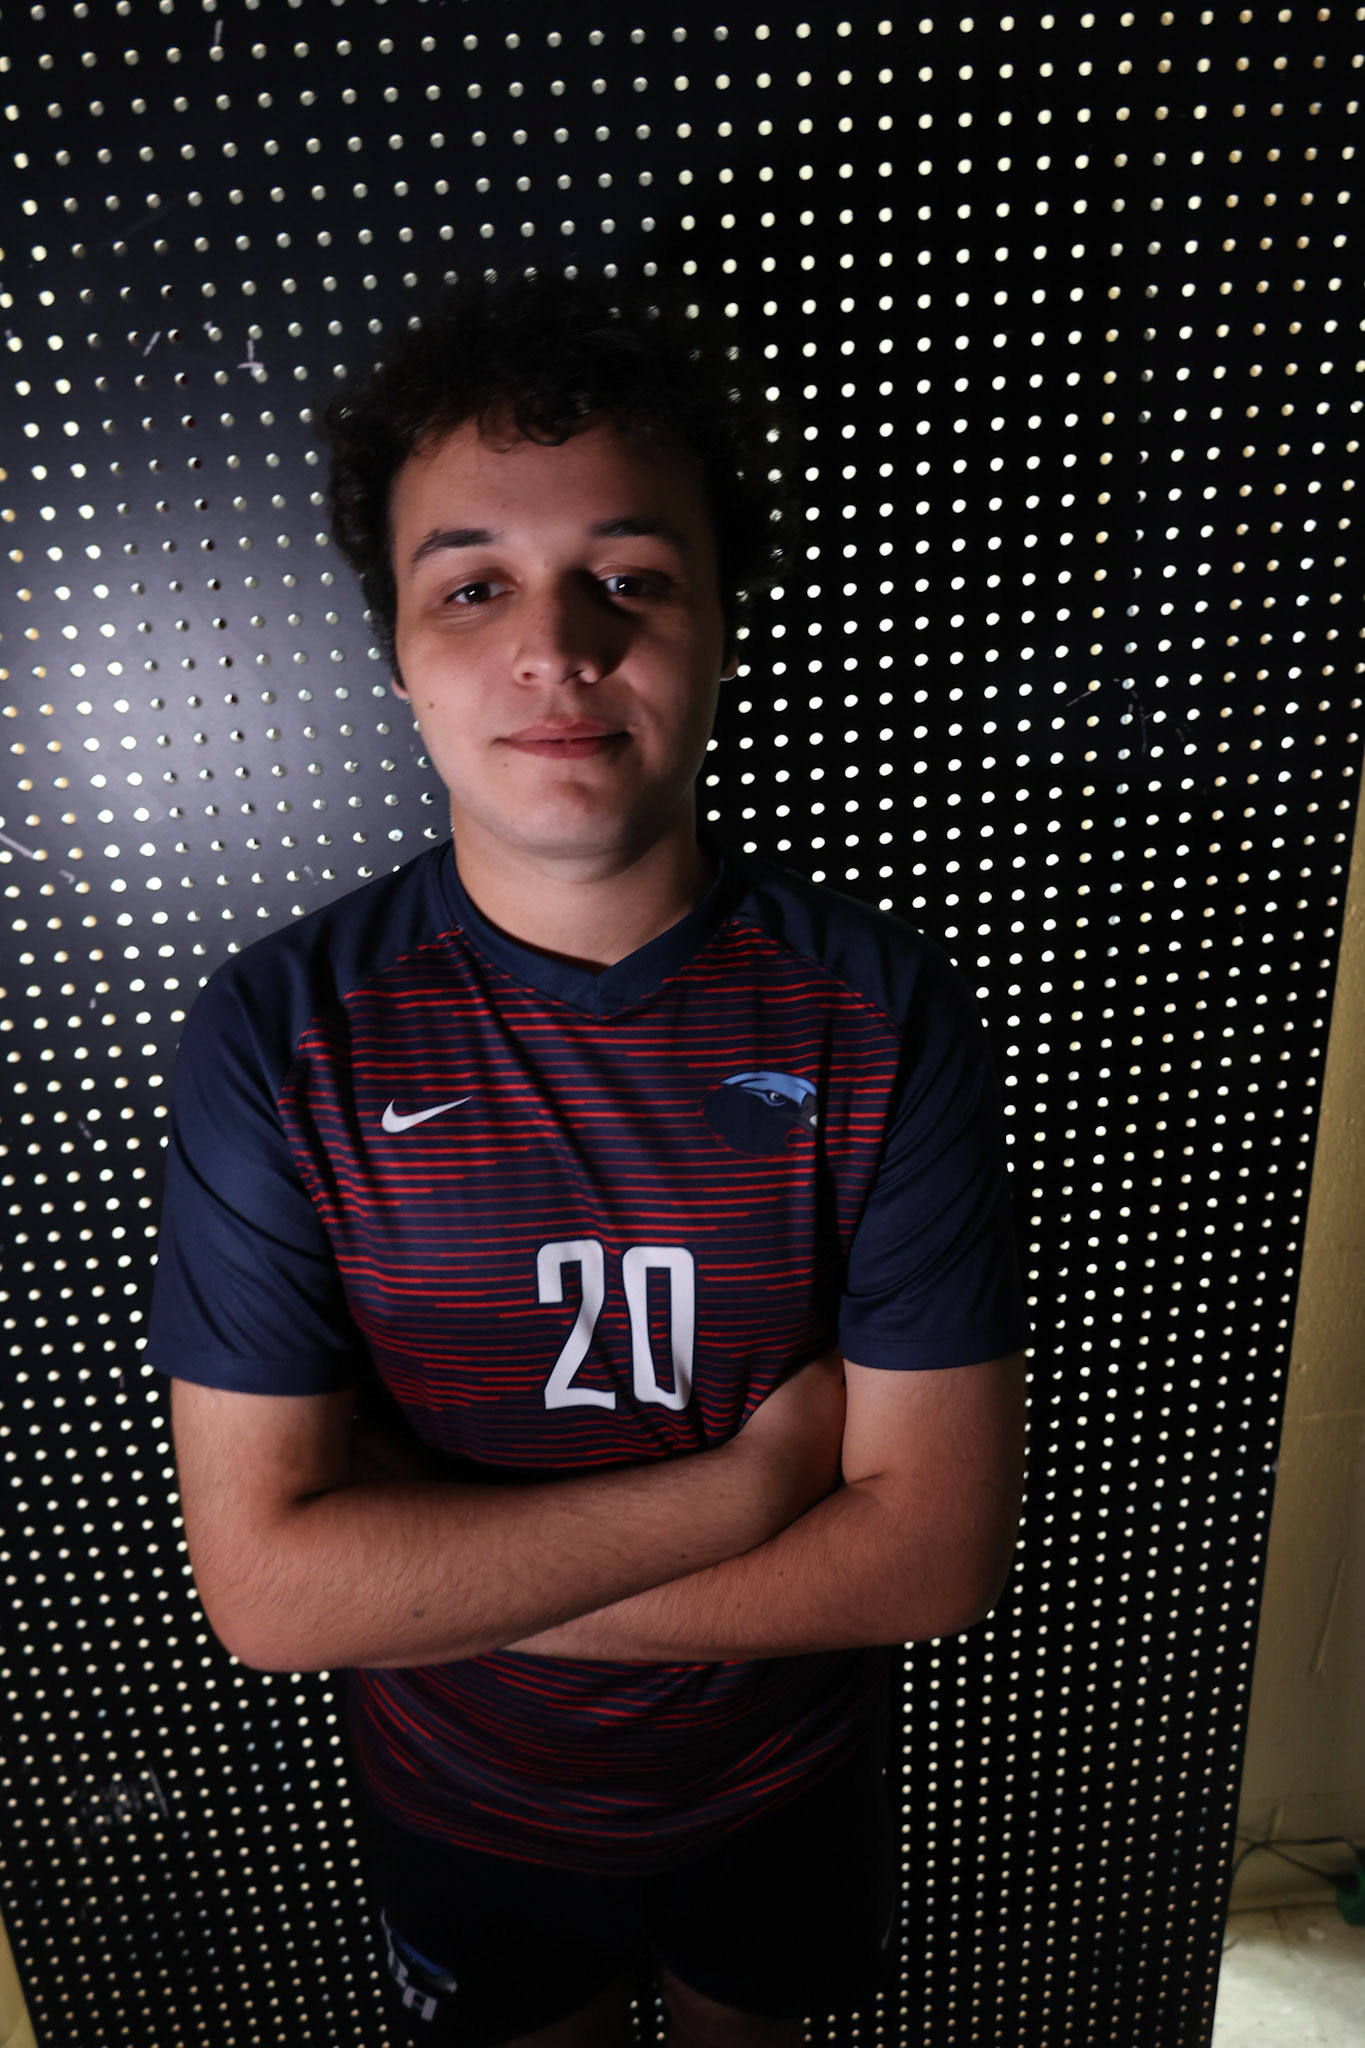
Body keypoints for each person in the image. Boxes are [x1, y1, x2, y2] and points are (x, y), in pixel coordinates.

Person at [148, 270, 1030, 2048]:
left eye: (627, 576)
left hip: (787, 1798)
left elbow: (929, 1560)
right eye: (473, 585)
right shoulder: (280, 1035)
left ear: (717, 621)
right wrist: (749, 1489)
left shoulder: (876, 1016)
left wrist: (427, 1580)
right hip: (467, 1820)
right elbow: (264, 1596)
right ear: (397, 651)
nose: (557, 644)